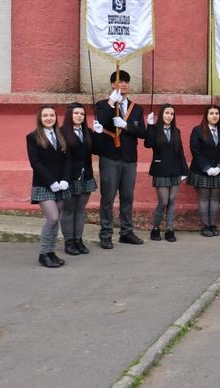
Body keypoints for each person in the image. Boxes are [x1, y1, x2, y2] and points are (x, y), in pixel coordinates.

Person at [95, 70, 146, 249]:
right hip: (110, 157)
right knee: (107, 197)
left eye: (126, 81)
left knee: (127, 197)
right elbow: (100, 121)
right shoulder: (102, 104)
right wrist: (111, 102)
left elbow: (143, 133)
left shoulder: (136, 108)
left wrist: (127, 126)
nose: (123, 84)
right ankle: (106, 233)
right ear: (112, 85)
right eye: (120, 81)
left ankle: (126, 232)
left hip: (129, 158)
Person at [27, 105, 71, 268]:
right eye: (45, 115)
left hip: (61, 185)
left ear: (55, 118)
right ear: (40, 118)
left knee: (56, 220)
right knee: (52, 218)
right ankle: (44, 253)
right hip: (44, 184)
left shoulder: (61, 135)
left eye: (51, 115)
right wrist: (51, 182)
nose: (48, 118)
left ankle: (51, 252)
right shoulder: (32, 137)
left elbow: (68, 160)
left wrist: (65, 180)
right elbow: (36, 163)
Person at [144, 104, 188, 242]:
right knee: (163, 201)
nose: (169, 116)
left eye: (172, 114)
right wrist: (150, 126)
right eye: (167, 113)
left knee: (172, 201)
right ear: (161, 114)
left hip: (175, 170)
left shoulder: (177, 131)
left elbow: (180, 151)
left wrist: (184, 170)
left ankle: (169, 230)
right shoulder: (155, 129)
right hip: (160, 169)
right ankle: (155, 228)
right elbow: (148, 144)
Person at [59, 102, 98, 255]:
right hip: (68, 177)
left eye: (82, 114)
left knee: (80, 210)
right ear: (70, 115)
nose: (79, 116)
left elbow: (97, 150)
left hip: (86, 176)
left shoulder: (87, 131)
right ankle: (69, 242)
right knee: (68, 210)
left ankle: (78, 240)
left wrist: (98, 135)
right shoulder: (61, 132)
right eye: (76, 113)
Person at [188, 106, 220, 237]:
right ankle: (205, 226)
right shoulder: (197, 130)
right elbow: (195, 151)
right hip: (202, 171)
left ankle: (213, 225)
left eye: (217, 113)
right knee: (204, 199)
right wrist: (207, 168)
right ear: (206, 115)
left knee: (214, 199)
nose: (215, 116)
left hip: (219, 171)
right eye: (211, 113)